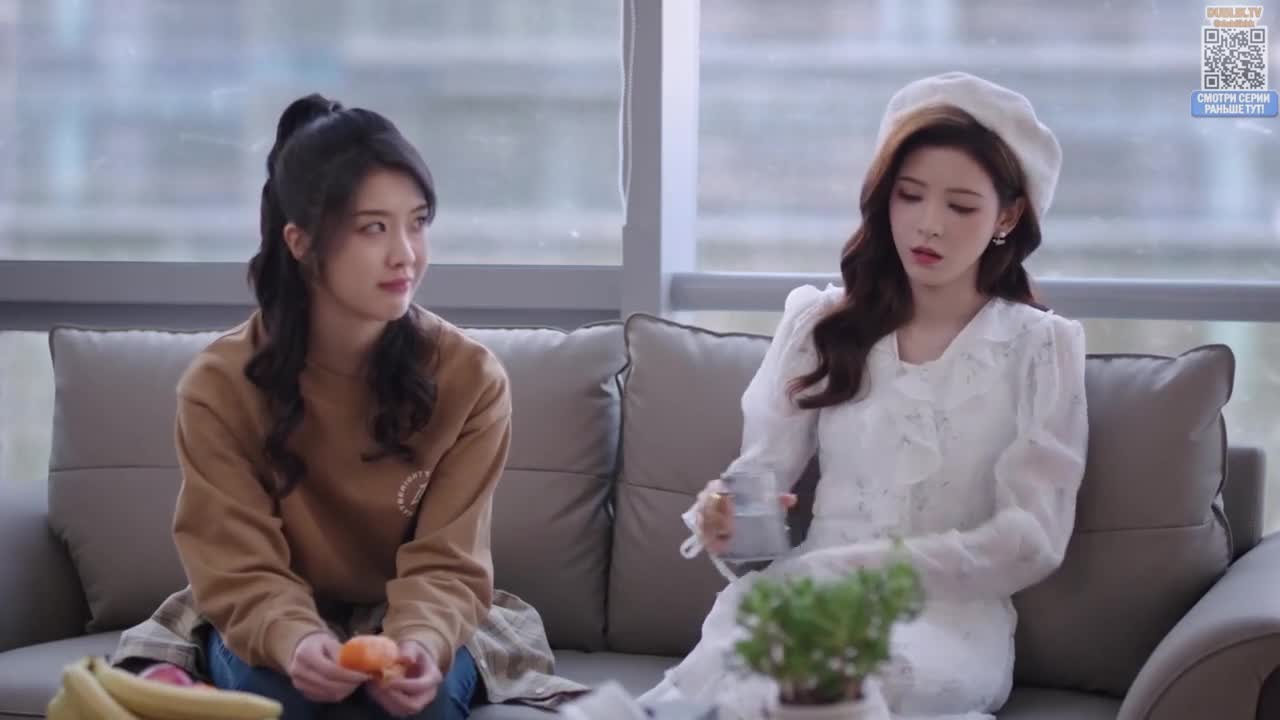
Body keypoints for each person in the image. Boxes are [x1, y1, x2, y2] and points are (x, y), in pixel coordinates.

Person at [110, 94, 587, 719]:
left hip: (417, 611)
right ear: (301, 241)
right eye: (373, 228)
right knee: (288, 702)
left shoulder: (470, 379)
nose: (405, 253)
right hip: (271, 611)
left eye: (417, 222)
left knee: (414, 705)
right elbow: (237, 563)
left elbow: (448, 561)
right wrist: (296, 639)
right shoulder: (220, 385)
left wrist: (419, 643)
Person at [640, 72, 1089, 719]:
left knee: (828, 687)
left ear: (1008, 216)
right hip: (805, 602)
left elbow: (1032, 538)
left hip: (948, 622)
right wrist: (727, 519)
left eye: (961, 206)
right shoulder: (820, 325)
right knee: (756, 684)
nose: (928, 225)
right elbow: (758, 486)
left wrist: (863, 568)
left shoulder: (1041, 348)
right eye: (910, 196)